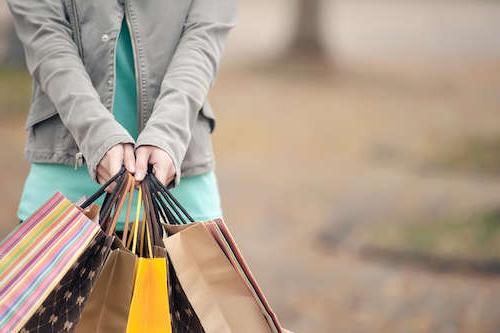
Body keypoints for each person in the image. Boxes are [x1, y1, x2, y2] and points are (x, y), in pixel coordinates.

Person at [7, 0, 236, 227]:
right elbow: (47, 42)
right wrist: (99, 137)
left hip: (181, 192)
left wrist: (166, 136)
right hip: (64, 188)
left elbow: (203, 40)